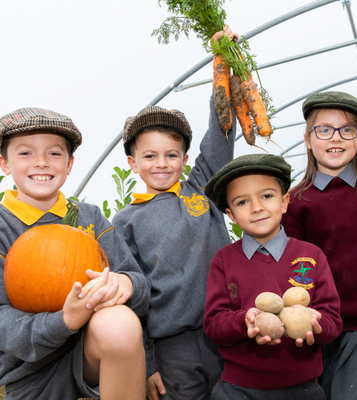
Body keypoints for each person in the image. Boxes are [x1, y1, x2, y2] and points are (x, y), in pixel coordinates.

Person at [111, 27, 238, 400]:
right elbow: (129, 299)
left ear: (185, 159)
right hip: (170, 346)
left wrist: (223, 65)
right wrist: (146, 363)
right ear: (133, 163)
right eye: (150, 156)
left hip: (226, 331)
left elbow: (220, 136)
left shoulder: (202, 189)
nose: (162, 164)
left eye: (171, 155)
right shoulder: (125, 221)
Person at [0, 107, 150, 400]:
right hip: (28, 371)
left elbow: (140, 286)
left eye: (54, 154)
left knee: (119, 321)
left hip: (89, 356)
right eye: (25, 153)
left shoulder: (89, 218)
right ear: (4, 163)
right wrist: (64, 320)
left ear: (69, 165)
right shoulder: (3, 226)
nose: (41, 163)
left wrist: (124, 285)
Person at [281, 91, 357, 400]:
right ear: (308, 139)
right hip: (317, 330)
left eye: (347, 129)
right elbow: (295, 269)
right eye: (324, 129)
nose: (336, 137)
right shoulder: (295, 203)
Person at [203, 153, 343, 400]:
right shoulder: (223, 260)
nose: (257, 207)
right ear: (231, 216)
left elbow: (333, 322)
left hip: (303, 390)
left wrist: (315, 322)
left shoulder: (312, 255)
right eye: (242, 202)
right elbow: (213, 324)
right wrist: (243, 320)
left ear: (285, 202)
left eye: (267, 196)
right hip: (237, 390)